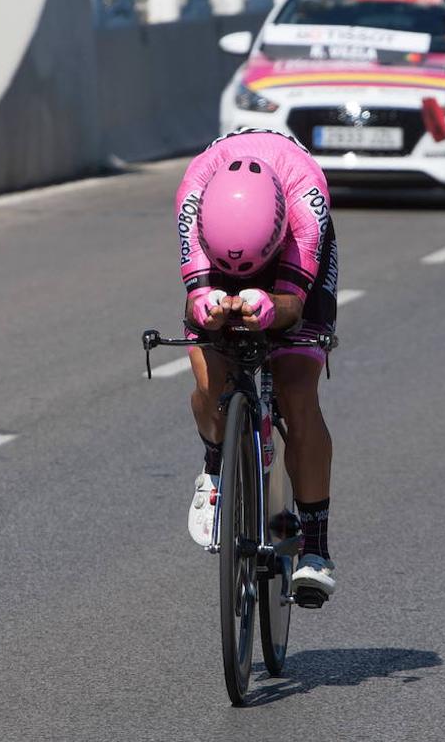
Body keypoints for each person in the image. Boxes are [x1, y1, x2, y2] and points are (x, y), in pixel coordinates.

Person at [175, 128, 339, 601]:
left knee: (296, 384)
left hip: (292, 249)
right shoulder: (193, 196)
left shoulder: (308, 207)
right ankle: (214, 467)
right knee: (210, 371)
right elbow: (195, 298)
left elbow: (293, 303)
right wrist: (205, 306)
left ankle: (316, 549)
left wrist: (274, 307)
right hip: (221, 238)